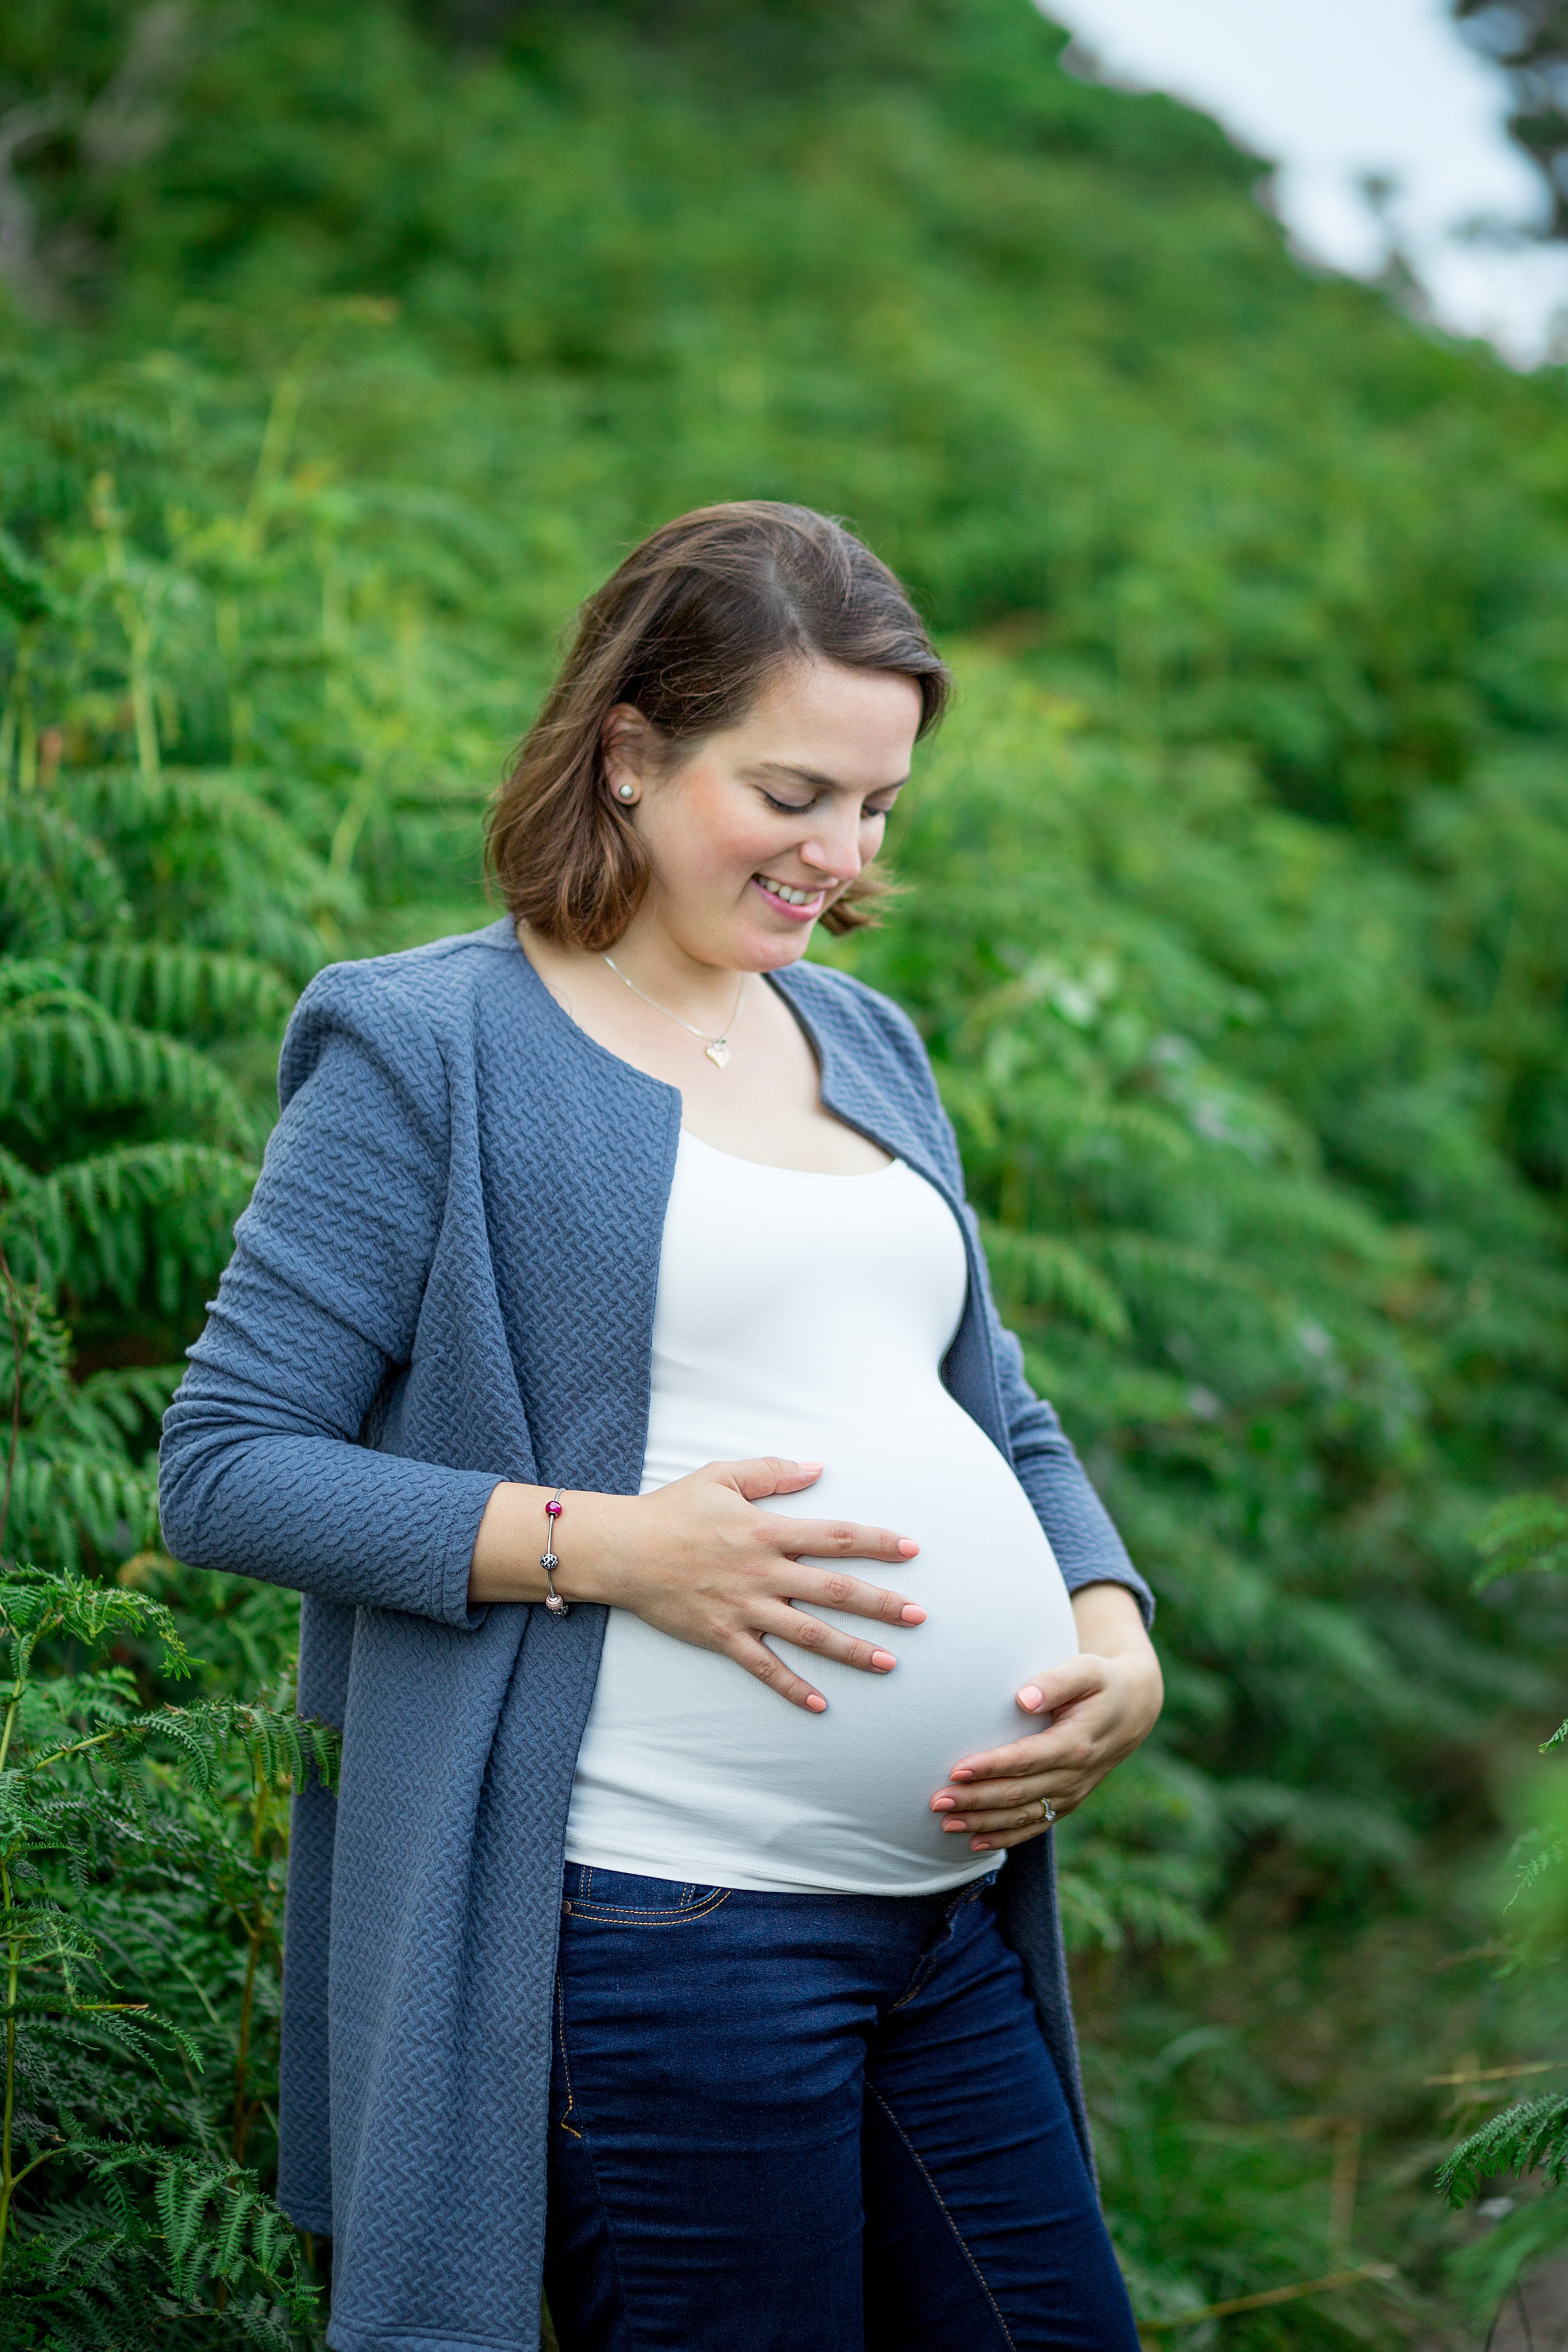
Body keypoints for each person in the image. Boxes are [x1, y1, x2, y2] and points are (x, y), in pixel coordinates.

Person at [159, 501, 1163, 2352]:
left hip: (943, 1923)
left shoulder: (862, 1041)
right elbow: (227, 1466)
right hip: (663, 1927)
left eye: (877, 807)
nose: (838, 857)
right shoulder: (426, 1047)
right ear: (631, 747)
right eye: (792, 794)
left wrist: (1112, 1630)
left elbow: (991, 1405)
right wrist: (617, 1546)